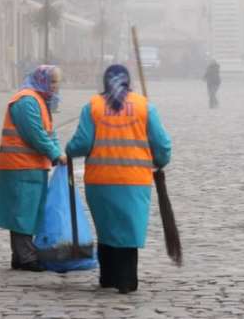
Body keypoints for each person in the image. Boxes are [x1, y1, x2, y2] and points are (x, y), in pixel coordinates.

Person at [66, 64, 171, 294]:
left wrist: (69, 149)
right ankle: (127, 279)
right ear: (128, 81)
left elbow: (82, 143)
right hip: (135, 181)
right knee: (129, 228)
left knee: (106, 228)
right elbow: (162, 145)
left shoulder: (93, 106)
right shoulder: (145, 107)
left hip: (100, 181)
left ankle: (108, 276)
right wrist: (161, 160)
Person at [0, 65, 67, 272]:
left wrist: (57, 151)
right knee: (22, 212)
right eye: (51, 82)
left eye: (56, 83)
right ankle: (25, 257)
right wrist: (54, 154)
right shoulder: (27, 101)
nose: (54, 87)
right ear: (41, 80)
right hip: (20, 165)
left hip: (31, 165)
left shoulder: (40, 100)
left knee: (30, 210)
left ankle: (21, 255)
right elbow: (34, 133)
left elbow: (49, 133)